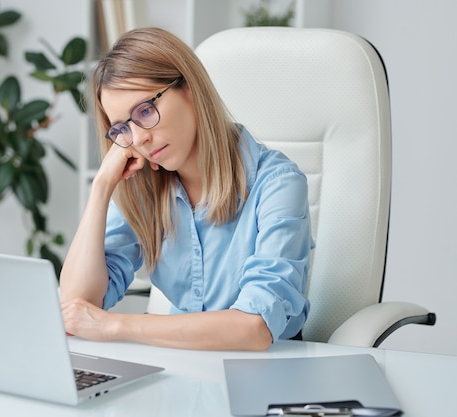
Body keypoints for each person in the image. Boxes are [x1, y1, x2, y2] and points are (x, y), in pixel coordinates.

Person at [59, 27, 313, 351]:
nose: (138, 139)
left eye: (145, 111)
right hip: (181, 366)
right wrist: (101, 187)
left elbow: (254, 327)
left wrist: (117, 325)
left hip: (269, 372)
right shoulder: (143, 188)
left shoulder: (278, 184)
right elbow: (77, 307)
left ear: (189, 88)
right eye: (122, 128)